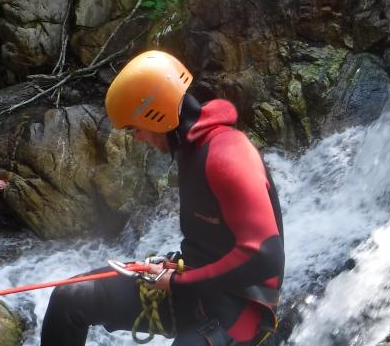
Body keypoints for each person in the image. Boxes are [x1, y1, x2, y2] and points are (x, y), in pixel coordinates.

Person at [41, 50, 285, 345]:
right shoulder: (190, 149)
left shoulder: (227, 153)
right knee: (70, 299)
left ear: (154, 113)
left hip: (237, 308)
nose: (137, 138)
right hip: (192, 285)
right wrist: (176, 279)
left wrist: (180, 283)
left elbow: (265, 257)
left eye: (134, 129)